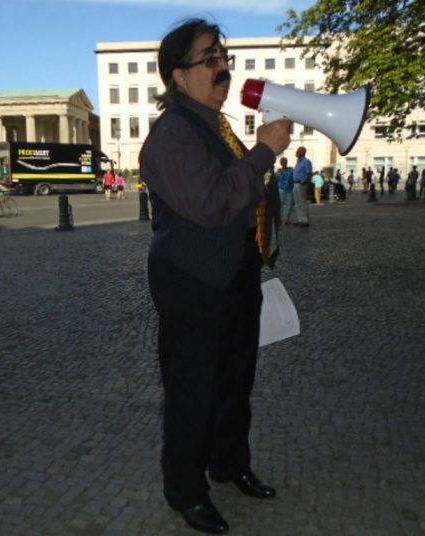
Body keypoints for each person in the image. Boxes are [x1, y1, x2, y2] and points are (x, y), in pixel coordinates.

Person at [139, 18, 291, 534]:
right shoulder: (173, 135)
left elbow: (238, 191)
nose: (221, 66)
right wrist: (265, 151)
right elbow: (212, 202)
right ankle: (185, 489)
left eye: (222, 55)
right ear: (178, 76)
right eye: (208, 59)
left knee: (234, 380)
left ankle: (229, 465)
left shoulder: (214, 127)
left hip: (234, 272)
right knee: (194, 389)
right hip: (192, 279)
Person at [275, 156, 294, 224]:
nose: (284, 163)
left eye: (285, 162)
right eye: (282, 162)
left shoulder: (291, 170)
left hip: (289, 189)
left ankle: (287, 219)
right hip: (281, 189)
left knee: (289, 205)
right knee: (280, 205)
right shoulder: (278, 171)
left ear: (287, 162)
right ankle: (279, 219)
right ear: (280, 163)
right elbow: (276, 180)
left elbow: (293, 178)